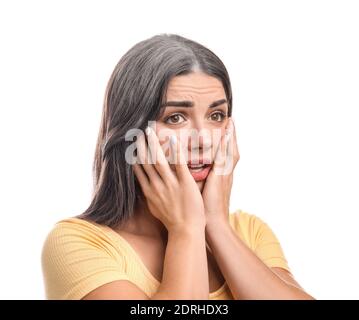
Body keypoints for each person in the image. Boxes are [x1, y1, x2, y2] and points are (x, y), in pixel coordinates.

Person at [41, 34, 314, 300]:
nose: (204, 139)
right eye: (175, 118)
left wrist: (216, 224)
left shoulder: (249, 231)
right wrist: (186, 229)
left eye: (216, 115)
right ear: (131, 135)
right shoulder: (77, 243)